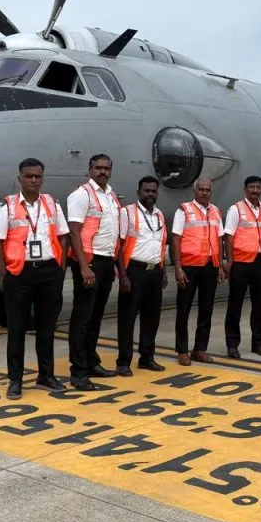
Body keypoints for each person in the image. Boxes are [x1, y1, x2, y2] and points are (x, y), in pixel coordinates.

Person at [0, 158, 69, 400]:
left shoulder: (52, 204)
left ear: (42, 178)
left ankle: (46, 375)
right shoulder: (7, 206)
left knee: (47, 327)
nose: (34, 180)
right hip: (19, 273)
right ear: (20, 178)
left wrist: (60, 268)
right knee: (17, 329)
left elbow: (63, 237)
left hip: (48, 272)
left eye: (37, 176)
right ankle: (15, 380)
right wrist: (5, 274)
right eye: (29, 176)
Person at [65, 154, 121, 389]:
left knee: (96, 317)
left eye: (106, 168)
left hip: (107, 261)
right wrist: (84, 266)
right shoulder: (81, 195)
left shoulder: (110, 195)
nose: (102, 172)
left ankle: (91, 361)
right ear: (89, 169)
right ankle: (78, 371)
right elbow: (74, 232)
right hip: (89, 262)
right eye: (98, 168)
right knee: (83, 317)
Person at [116, 176, 169, 375]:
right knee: (128, 318)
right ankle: (123, 361)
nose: (150, 195)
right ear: (138, 192)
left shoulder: (159, 215)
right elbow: (119, 246)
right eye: (146, 191)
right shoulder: (127, 212)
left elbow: (160, 243)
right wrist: (122, 275)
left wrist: (162, 271)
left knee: (151, 318)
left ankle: (147, 358)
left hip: (154, 271)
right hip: (134, 272)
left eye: (153, 191)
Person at [171, 177, 224, 365]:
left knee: (206, 309)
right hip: (190, 267)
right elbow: (176, 239)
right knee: (183, 309)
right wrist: (178, 268)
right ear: (195, 191)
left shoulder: (216, 211)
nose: (204, 193)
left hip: (210, 266)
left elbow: (219, 239)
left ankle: (200, 349)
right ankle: (182, 350)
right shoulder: (184, 210)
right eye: (201, 189)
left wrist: (220, 266)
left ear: (211, 192)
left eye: (207, 190)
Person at [223, 175, 261, 358]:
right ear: (245, 190)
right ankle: (232, 344)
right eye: (251, 187)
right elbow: (229, 236)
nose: (255, 190)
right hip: (240, 263)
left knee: (259, 306)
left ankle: (258, 343)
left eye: (258, 187)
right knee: (235, 304)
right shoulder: (235, 209)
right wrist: (229, 261)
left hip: (260, 262)